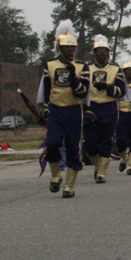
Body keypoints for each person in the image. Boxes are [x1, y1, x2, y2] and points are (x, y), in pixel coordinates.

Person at [39, 20, 90, 198]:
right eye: (67, 48)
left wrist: (73, 76)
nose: (70, 50)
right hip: (55, 110)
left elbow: (82, 92)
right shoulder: (50, 65)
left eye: (73, 48)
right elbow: (46, 90)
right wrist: (45, 112)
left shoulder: (82, 67)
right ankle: (55, 175)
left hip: (73, 110)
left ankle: (69, 185)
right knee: (53, 143)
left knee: (73, 147)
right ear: (60, 47)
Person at [83, 35, 127, 184]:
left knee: (106, 140)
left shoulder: (116, 69)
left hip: (109, 107)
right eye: (98, 50)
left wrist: (108, 87)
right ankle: (97, 165)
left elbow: (121, 91)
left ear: (108, 53)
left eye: (104, 50)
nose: (102, 53)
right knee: (89, 142)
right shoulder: (87, 69)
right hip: (92, 106)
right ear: (94, 53)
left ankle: (102, 172)